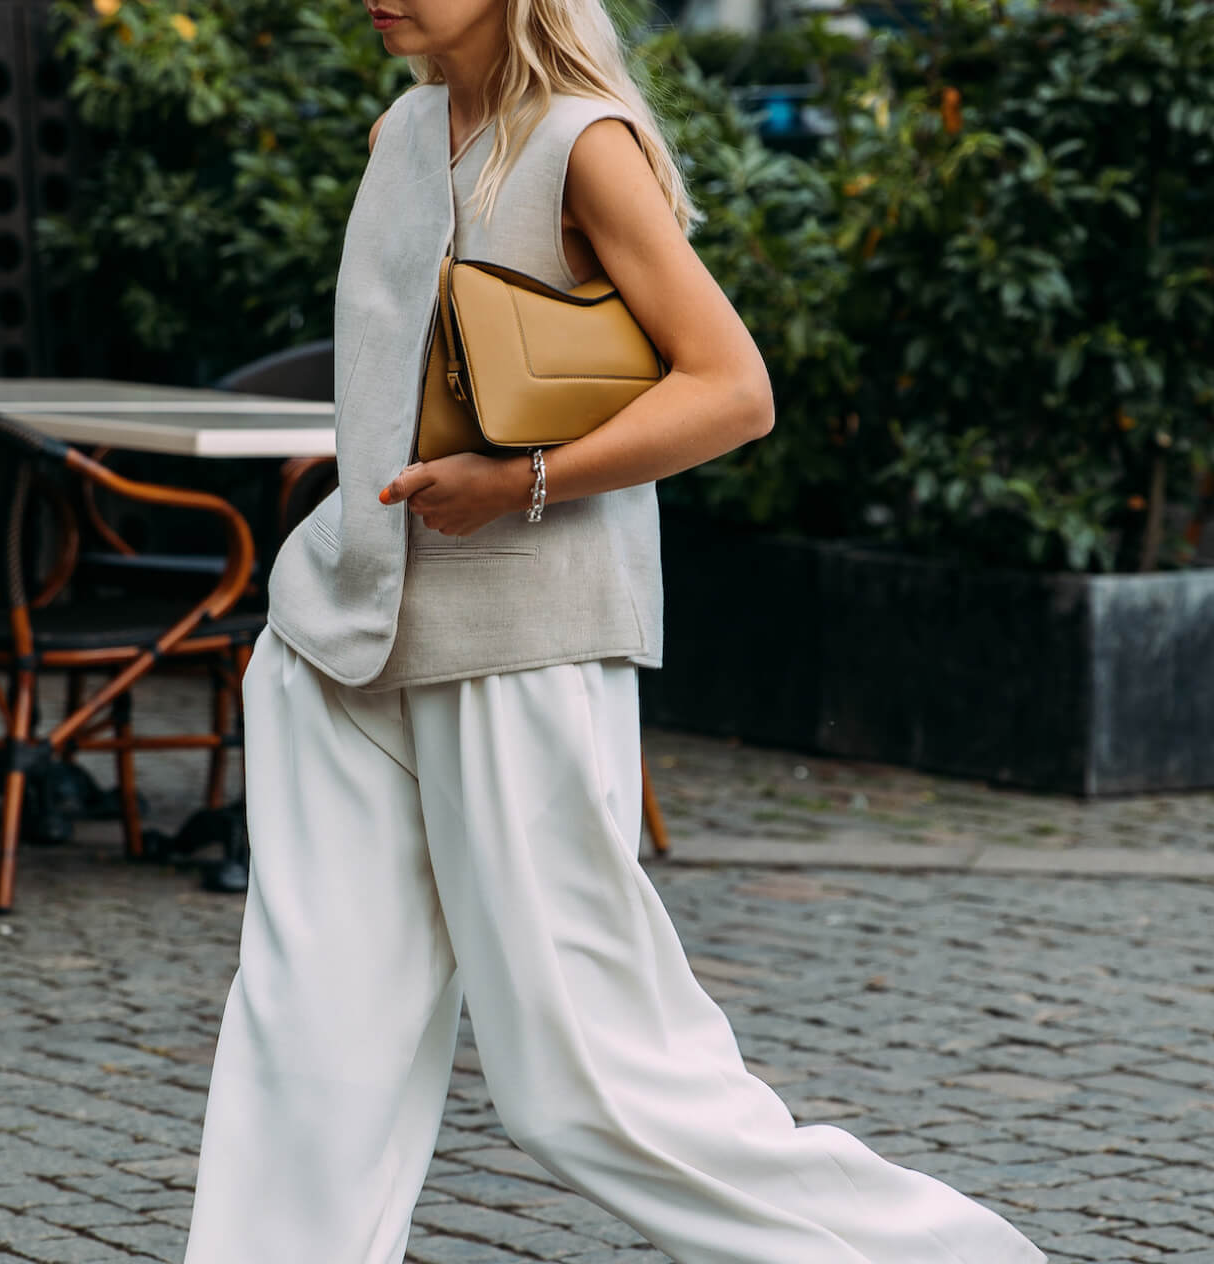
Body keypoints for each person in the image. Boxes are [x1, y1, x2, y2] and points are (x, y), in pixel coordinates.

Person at [182, 2, 1047, 1262]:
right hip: (339, 636)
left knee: (586, 1079)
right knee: (308, 1040)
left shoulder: (584, 144)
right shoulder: (403, 132)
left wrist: (519, 481)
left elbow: (733, 389)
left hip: (518, 640)